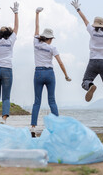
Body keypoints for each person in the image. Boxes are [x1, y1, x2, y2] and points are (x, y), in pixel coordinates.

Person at [70, 0, 103, 102]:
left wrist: (77, 8)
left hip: (93, 61)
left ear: (95, 24)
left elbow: (84, 20)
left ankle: (90, 86)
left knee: (86, 80)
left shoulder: (92, 31)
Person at [30, 7, 72, 137]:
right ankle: (57, 128)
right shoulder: (52, 47)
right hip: (49, 73)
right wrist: (66, 75)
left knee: (37, 101)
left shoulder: (36, 43)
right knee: (52, 101)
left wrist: (37, 14)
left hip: (38, 73)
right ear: (51, 38)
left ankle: (32, 127)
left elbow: (36, 28)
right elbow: (60, 62)